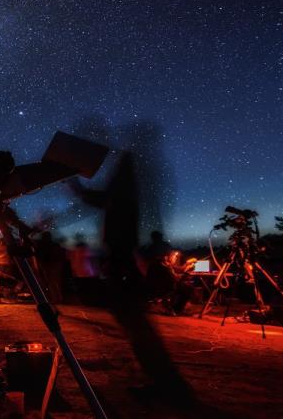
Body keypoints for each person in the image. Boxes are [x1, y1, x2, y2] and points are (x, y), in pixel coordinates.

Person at [69, 152, 196, 405]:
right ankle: (167, 385)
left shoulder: (122, 199)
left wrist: (71, 178)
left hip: (123, 271)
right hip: (123, 269)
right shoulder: (127, 197)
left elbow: (93, 198)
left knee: (140, 333)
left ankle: (170, 388)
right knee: (139, 332)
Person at [34, 231, 67, 304]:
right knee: (56, 282)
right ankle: (60, 298)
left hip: (48, 265)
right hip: (54, 265)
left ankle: (57, 298)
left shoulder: (41, 245)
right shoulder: (55, 244)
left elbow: (39, 255)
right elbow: (61, 254)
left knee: (51, 282)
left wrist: (40, 265)